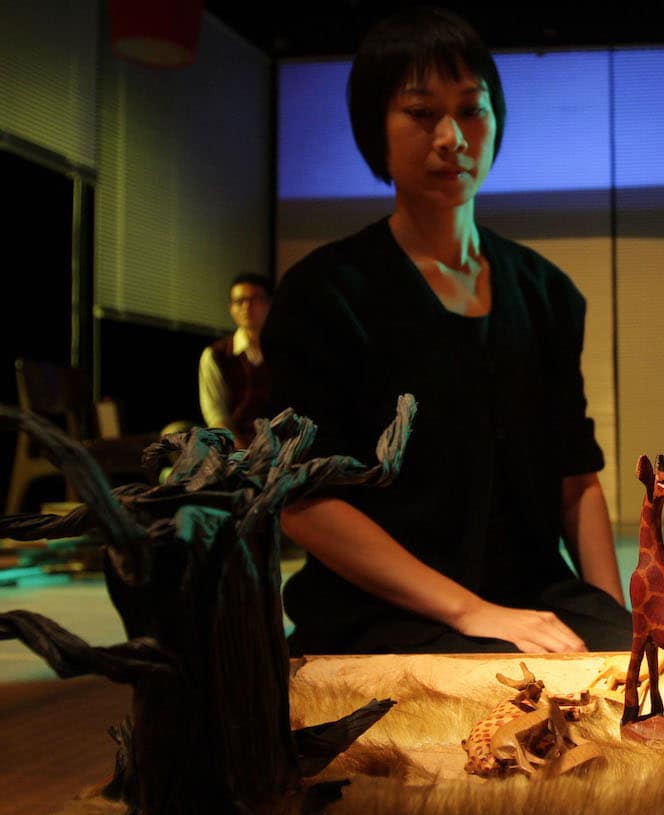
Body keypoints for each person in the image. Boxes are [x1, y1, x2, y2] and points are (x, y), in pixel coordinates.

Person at [261, 7, 632, 656]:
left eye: (470, 109)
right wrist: (473, 611)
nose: (451, 137)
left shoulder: (544, 291)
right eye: (421, 112)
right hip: (379, 610)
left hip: (531, 596)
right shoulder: (324, 292)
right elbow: (303, 502)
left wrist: (613, 625)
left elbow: (575, 478)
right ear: (374, 127)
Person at [199, 273, 273, 448]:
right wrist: (243, 452)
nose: (247, 307)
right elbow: (216, 415)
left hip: (279, 444)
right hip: (233, 445)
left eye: (255, 299)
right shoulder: (216, 354)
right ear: (231, 308)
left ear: (269, 304)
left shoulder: (285, 353)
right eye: (240, 301)